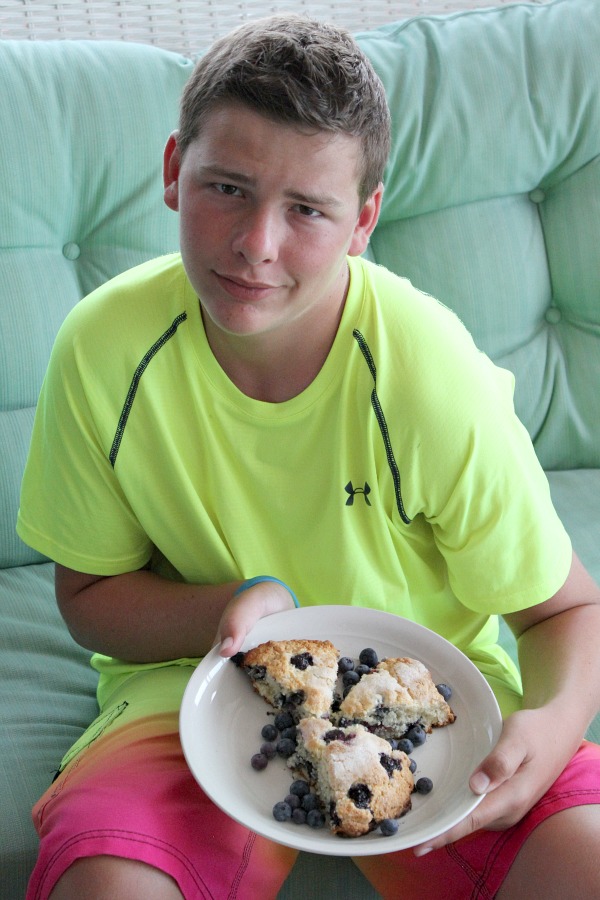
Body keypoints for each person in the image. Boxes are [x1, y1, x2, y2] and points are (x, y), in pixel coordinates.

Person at [17, 12, 600, 900]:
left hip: (431, 687)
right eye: (227, 189)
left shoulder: (430, 374)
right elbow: (90, 598)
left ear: (364, 220)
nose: (258, 244)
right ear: (175, 171)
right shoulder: (103, 350)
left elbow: (565, 613)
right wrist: (226, 608)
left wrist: (554, 724)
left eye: (307, 210)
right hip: (189, 687)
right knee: (108, 886)